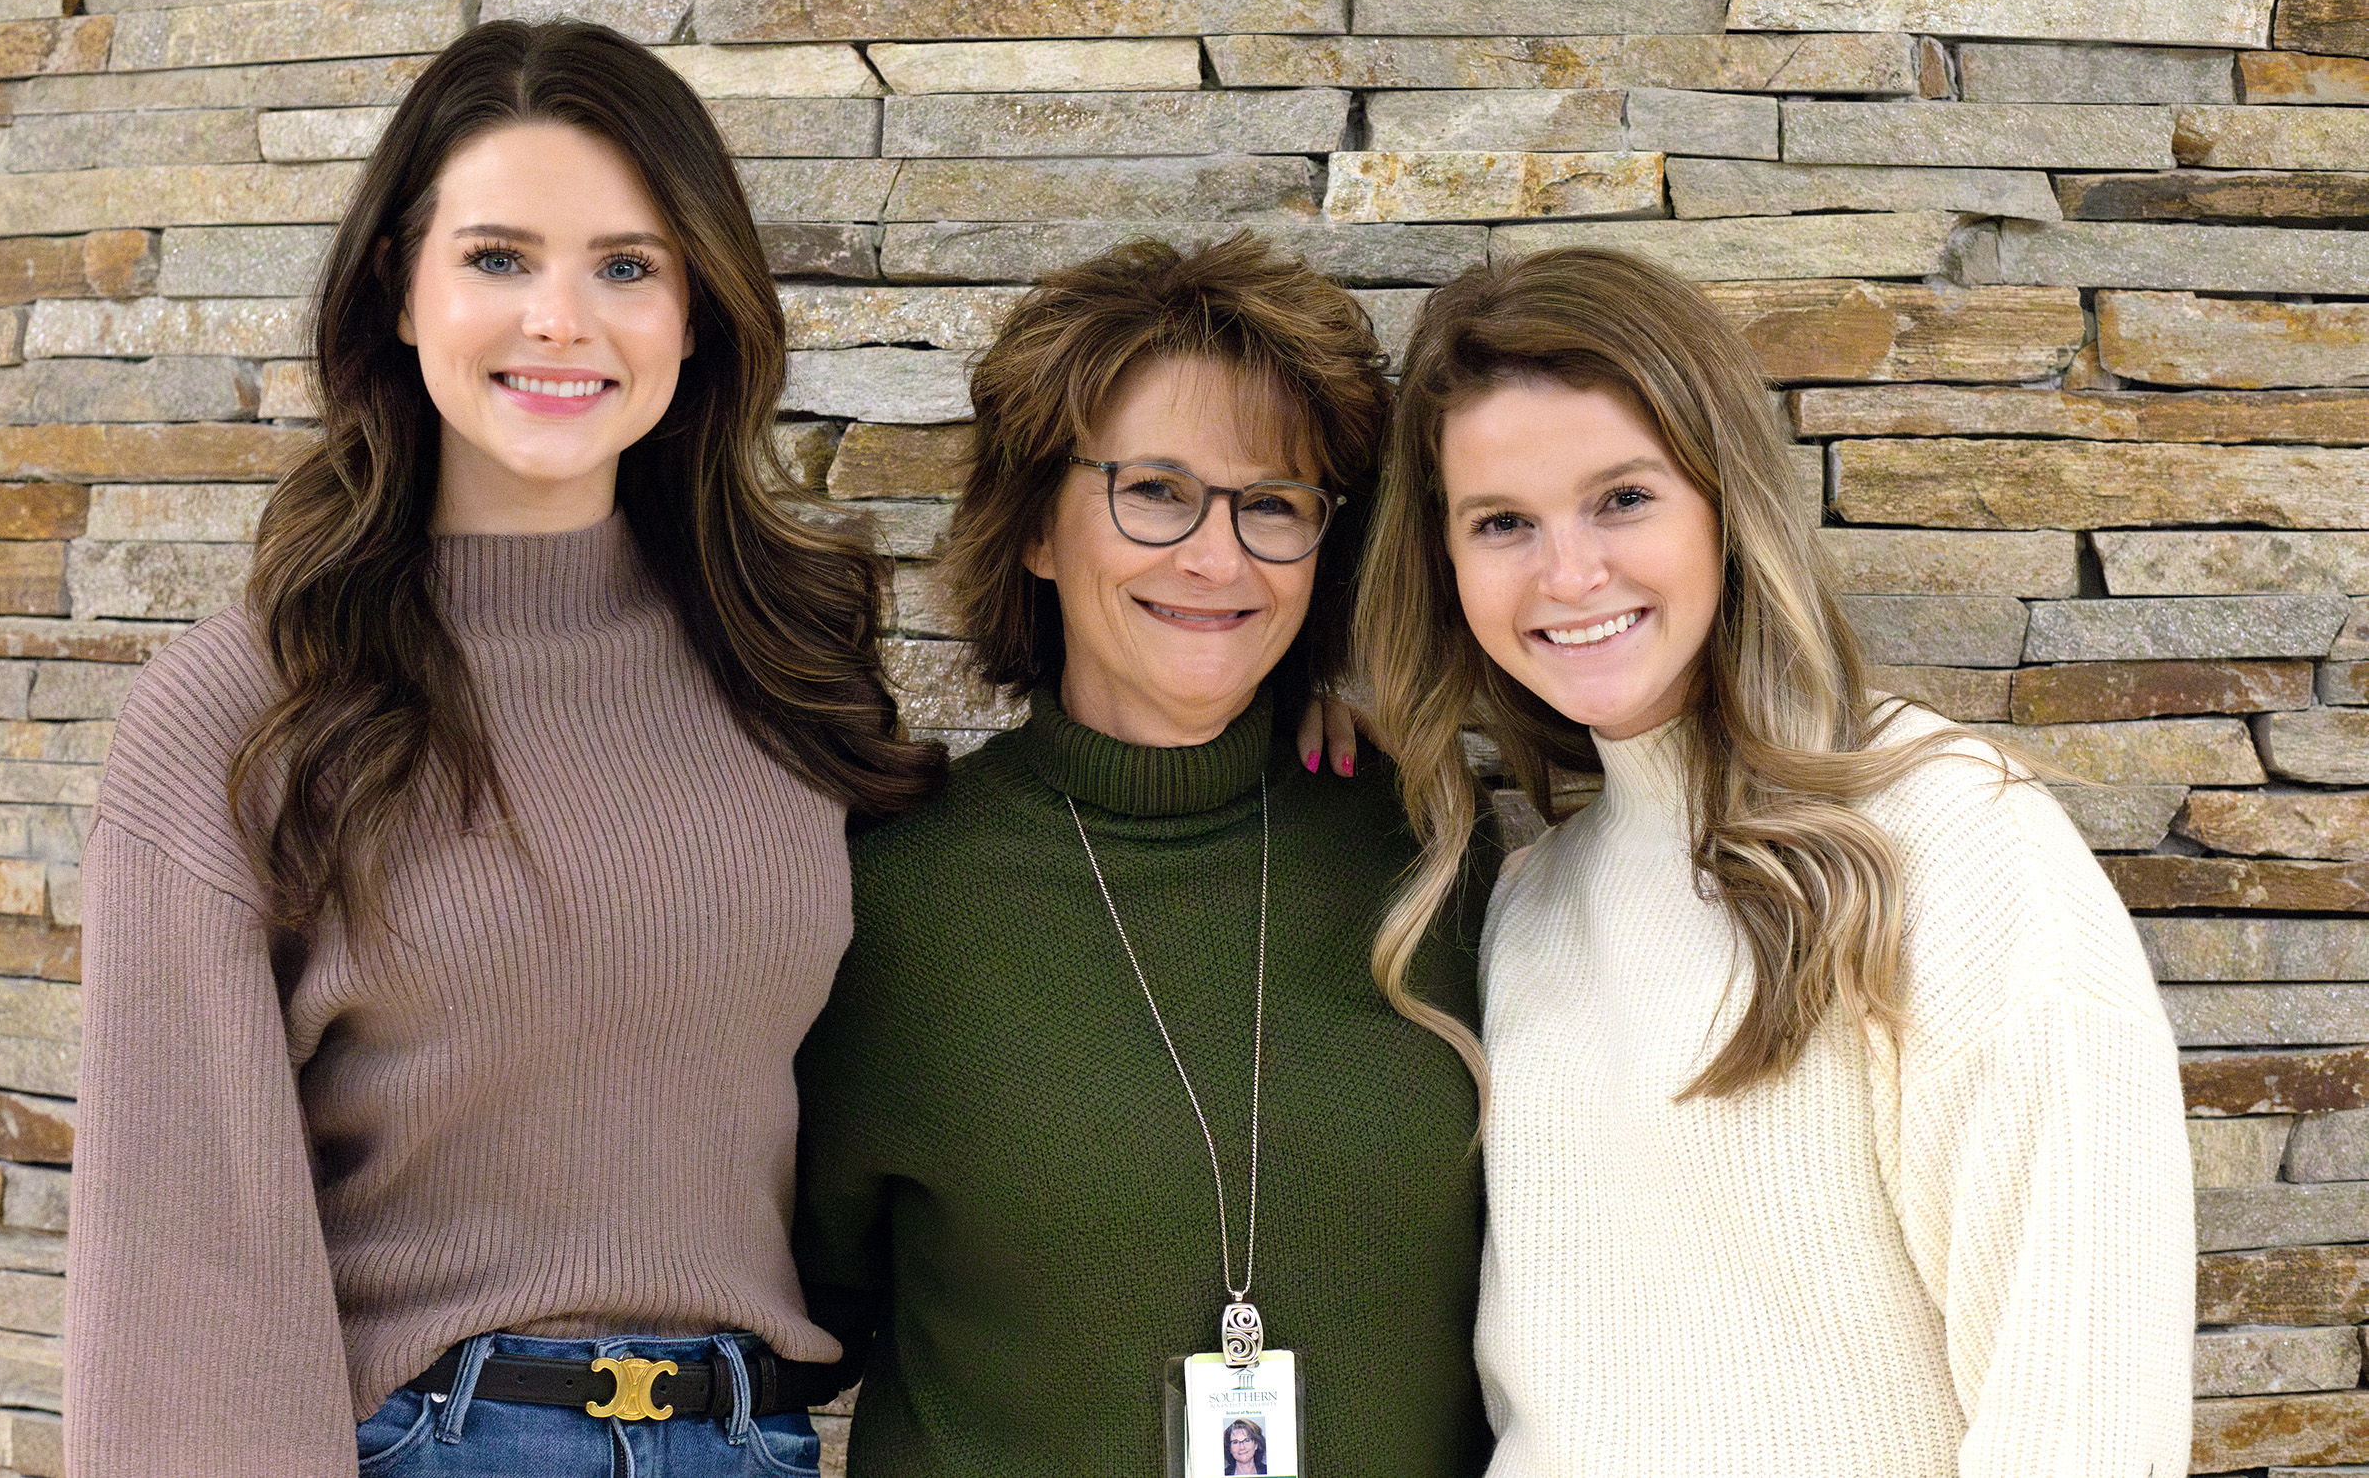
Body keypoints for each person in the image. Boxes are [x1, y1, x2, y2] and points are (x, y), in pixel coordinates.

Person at [65, 20, 939, 1476]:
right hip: (427, 1440)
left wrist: (1289, 705)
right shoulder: (243, 715)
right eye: (497, 257)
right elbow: (179, 1250)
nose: (561, 318)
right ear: (398, 292)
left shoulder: (785, 673)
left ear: (697, 312)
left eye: (626, 264)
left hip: (751, 1439)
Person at [1355, 247, 2195, 1477]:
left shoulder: (1945, 835)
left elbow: (2084, 1415)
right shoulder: (1533, 899)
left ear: (1724, 499)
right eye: (1502, 523)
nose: (1568, 571)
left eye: (1623, 498)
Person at [793, 233, 1494, 1478]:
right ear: (1036, 529)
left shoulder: (1430, 847)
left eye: (1272, 502)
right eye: (1155, 490)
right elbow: (805, 1309)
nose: (1216, 558)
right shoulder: (886, 894)